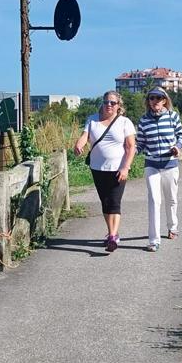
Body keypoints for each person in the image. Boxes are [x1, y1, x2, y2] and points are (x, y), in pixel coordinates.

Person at [73, 91, 136, 252]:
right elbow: (84, 136)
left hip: (118, 169)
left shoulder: (124, 122)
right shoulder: (92, 120)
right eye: (106, 102)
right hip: (98, 168)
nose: (109, 105)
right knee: (106, 203)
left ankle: (113, 237)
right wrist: (78, 144)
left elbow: (130, 147)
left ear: (118, 106)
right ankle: (111, 233)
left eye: (113, 103)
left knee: (114, 202)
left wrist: (126, 167)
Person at [136, 86, 182, 252]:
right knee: (154, 201)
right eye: (151, 98)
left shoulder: (172, 117)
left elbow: (181, 135)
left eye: (158, 98)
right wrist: (129, 152)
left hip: (170, 164)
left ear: (164, 100)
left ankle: (172, 227)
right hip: (152, 165)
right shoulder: (144, 120)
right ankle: (154, 240)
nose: (154, 101)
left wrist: (177, 147)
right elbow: (140, 143)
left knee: (171, 198)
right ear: (148, 101)